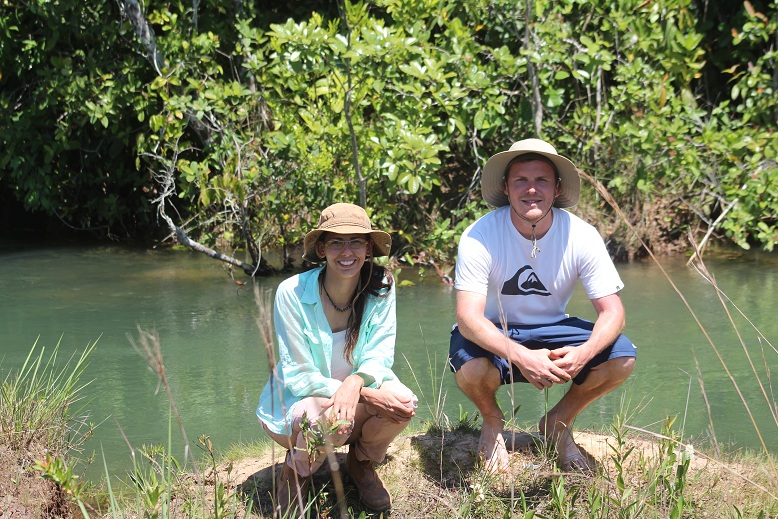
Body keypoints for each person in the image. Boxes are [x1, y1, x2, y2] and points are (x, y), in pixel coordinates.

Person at [448, 138, 636, 474]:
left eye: (541, 180)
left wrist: (585, 352)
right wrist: (521, 356)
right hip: (495, 328)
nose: (531, 190)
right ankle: (493, 422)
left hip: (553, 327)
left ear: (557, 188)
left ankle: (558, 423)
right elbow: (468, 319)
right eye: (521, 180)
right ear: (506, 188)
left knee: (621, 359)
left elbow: (614, 312)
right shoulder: (479, 235)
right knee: (472, 369)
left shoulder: (582, 235)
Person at [257, 203, 417, 516]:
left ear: (368, 247)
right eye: (336, 242)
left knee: (402, 403)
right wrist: (362, 393)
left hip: (352, 399)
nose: (347, 251)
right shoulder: (291, 292)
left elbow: (380, 353)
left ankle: (361, 463)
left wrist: (356, 382)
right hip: (297, 405)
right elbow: (298, 374)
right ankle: (297, 471)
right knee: (330, 419)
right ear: (321, 248)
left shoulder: (381, 284)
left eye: (356, 241)